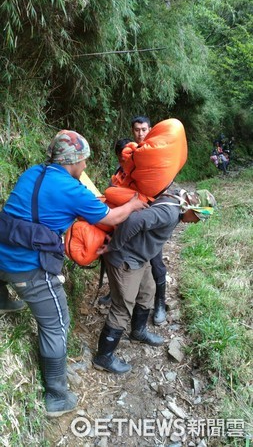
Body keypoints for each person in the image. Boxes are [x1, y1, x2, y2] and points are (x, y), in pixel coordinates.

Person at [0, 130, 147, 417]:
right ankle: (56, 396)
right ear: (75, 161)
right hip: (29, 270)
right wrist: (133, 204)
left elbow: (40, 211)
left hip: (2, 256)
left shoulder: (32, 172)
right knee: (57, 324)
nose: (86, 167)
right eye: (85, 161)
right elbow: (111, 217)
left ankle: (3, 300)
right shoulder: (72, 189)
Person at [93, 188, 216, 374]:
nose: (196, 222)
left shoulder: (176, 203)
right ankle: (103, 357)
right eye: (198, 217)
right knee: (122, 307)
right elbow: (135, 220)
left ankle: (138, 332)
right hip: (126, 258)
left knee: (148, 291)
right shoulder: (170, 212)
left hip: (141, 257)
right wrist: (114, 246)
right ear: (192, 209)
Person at [99, 117, 168, 325]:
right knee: (117, 259)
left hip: (150, 221)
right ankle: (117, 293)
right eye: (136, 130)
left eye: (144, 129)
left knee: (155, 261)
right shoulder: (124, 167)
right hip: (127, 222)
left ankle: (160, 303)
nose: (140, 133)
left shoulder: (154, 163)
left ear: (150, 131)